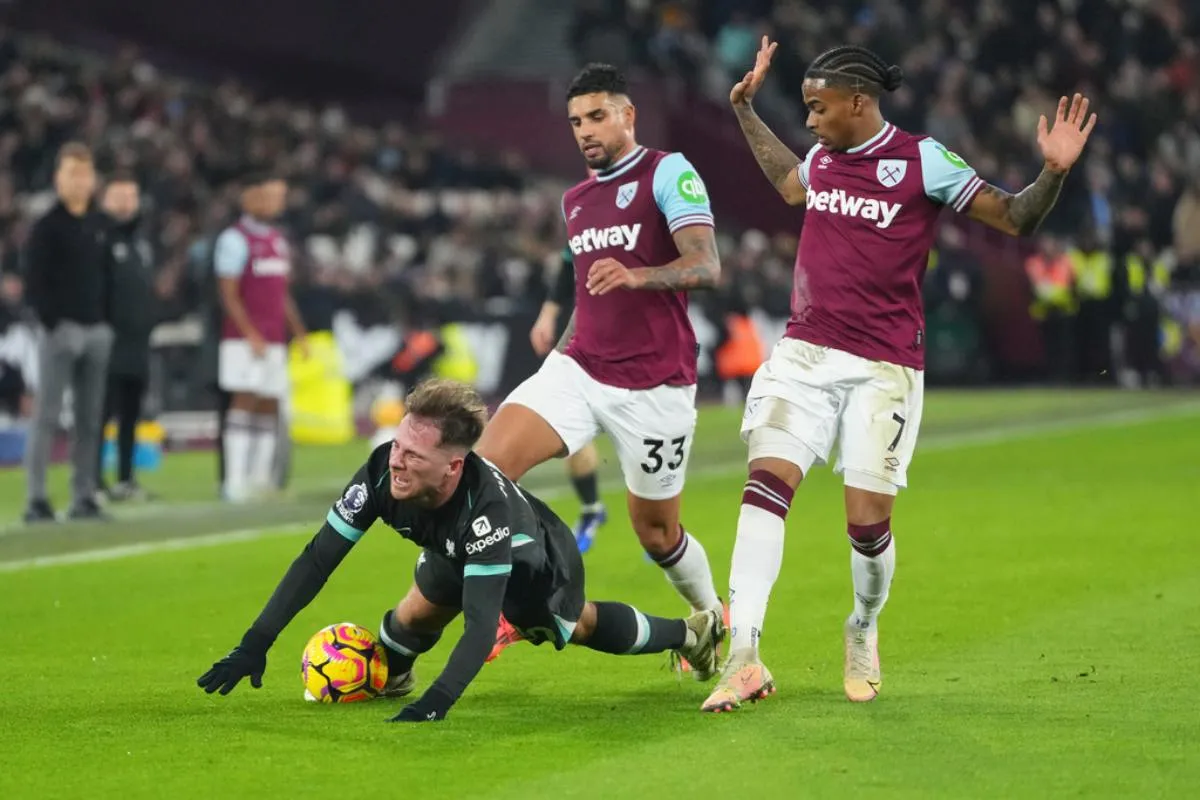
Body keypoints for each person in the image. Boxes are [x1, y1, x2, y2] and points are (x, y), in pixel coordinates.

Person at [703, 38, 1096, 712]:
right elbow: (787, 181)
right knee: (765, 487)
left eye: (817, 107)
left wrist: (1053, 173)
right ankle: (744, 655)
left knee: (866, 525)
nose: (809, 121)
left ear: (859, 101)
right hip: (804, 354)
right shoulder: (823, 158)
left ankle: (862, 624)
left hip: (884, 367)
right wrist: (744, 111)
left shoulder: (924, 161)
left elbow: (1016, 216)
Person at [196, 379, 725, 722]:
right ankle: (394, 673)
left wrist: (438, 704)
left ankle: (690, 634)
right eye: (398, 445)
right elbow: (317, 558)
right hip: (452, 545)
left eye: (413, 454)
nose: (397, 462)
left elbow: (479, 625)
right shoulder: (384, 470)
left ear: (452, 466)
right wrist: (254, 642)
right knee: (408, 620)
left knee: (574, 624)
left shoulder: (489, 515)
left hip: (536, 562)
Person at [477, 64, 726, 667]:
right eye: (575, 122)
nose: (584, 131)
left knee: (658, 534)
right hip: (580, 370)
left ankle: (714, 623)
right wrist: (560, 338)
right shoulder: (577, 199)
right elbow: (583, 281)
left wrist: (638, 275)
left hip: (655, 386)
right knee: (480, 474)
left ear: (627, 115)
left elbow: (706, 266)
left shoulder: (668, 172)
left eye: (596, 116)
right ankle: (513, 603)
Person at [21, 142, 113, 522]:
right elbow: (34, 280)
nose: (79, 181)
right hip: (61, 330)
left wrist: (106, 321)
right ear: (58, 178)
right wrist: (52, 322)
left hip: (97, 331)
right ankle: (37, 499)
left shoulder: (99, 225)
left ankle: (84, 496)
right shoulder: (45, 227)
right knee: (47, 415)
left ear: (93, 180)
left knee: (90, 420)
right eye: (72, 173)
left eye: (85, 174)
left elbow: (108, 277)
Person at [214, 172, 308, 502]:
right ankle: (234, 482)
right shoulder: (233, 240)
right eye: (267, 197)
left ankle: (260, 480)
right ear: (249, 199)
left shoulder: (277, 240)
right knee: (244, 401)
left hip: (275, 340)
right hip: (243, 341)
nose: (273, 203)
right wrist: (249, 332)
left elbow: (281, 293)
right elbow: (228, 294)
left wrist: (299, 332)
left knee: (269, 404)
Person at [528, 244, 609, 554]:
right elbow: (567, 259)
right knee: (571, 426)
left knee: (648, 436)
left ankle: (664, 527)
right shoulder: (584, 206)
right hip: (586, 337)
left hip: (638, 338)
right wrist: (548, 314)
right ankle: (592, 509)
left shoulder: (648, 209)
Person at [95, 172, 157, 501]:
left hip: (136, 344)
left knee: (131, 414)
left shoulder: (141, 244)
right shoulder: (99, 239)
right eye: (119, 196)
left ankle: (125, 478)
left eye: (131, 197)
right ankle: (92, 481)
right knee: (99, 414)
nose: (125, 203)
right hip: (106, 343)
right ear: (105, 200)